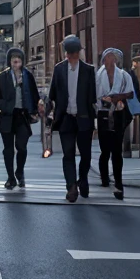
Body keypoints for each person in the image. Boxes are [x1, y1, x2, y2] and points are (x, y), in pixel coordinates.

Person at [46, 35, 97, 203]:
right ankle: (71, 187)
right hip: (66, 118)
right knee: (68, 153)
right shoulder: (59, 69)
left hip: (83, 118)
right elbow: (52, 94)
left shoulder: (88, 70)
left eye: (75, 54)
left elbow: (93, 97)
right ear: (66, 54)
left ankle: (83, 179)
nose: (72, 57)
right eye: (69, 54)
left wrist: (94, 118)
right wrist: (47, 113)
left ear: (79, 53)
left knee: (86, 154)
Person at [0, 48, 40, 189]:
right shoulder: (3, 76)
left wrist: (36, 110)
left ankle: (19, 171)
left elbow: (35, 95)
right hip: (7, 117)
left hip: (22, 116)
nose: (15, 61)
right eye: (13, 59)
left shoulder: (28, 76)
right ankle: (10, 177)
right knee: (8, 149)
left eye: (18, 59)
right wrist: (6, 106)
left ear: (22, 61)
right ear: (9, 61)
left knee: (22, 147)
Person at [95, 48, 135, 200]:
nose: (110, 61)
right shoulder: (98, 76)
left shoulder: (123, 75)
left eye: (113, 58)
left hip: (118, 112)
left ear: (117, 60)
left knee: (116, 150)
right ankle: (104, 178)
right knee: (105, 149)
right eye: (108, 58)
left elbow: (131, 93)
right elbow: (94, 94)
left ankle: (118, 182)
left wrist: (119, 96)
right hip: (103, 112)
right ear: (103, 60)